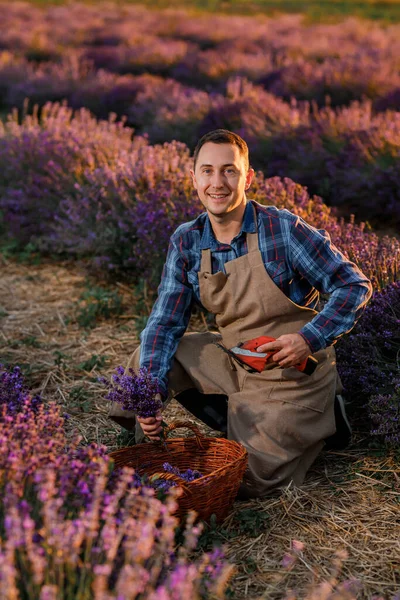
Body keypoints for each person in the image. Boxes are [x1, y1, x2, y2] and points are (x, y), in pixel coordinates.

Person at [108, 129, 372, 499]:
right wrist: (150, 394)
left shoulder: (282, 229)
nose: (218, 183)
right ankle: (162, 438)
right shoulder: (187, 239)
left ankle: (326, 415)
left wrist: (307, 339)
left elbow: (353, 285)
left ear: (248, 177)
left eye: (229, 171)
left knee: (248, 481)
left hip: (291, 373)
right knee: (145, 363)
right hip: (236, 358)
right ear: (194, 178)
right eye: (208, 171)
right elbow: (165, 324)